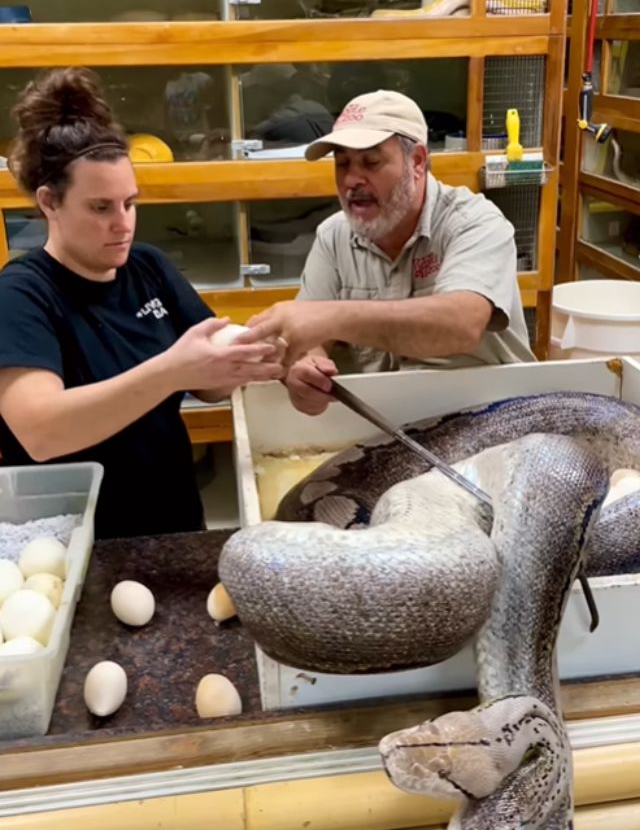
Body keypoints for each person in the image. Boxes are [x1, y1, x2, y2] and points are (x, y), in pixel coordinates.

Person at [0, 68, 284, 539]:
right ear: (50, 202)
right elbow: (41, 431)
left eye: (130, 203)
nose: (123, 223)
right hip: (82, 543)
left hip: (174, 525)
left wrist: (269, 354)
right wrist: (173, 369)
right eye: (100, 207)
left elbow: (211, 385)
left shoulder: (147, 266)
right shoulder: (21, 295)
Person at [246, 89, 536, 416]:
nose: (352, 180)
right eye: (342, 164)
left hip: (492, 418)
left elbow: (460, 325)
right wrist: (305, 369)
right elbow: (308, 342)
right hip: (389, 423)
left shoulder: (474, 223)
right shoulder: (334, 236)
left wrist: (329, 318)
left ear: (417, 162)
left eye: (371, 162)